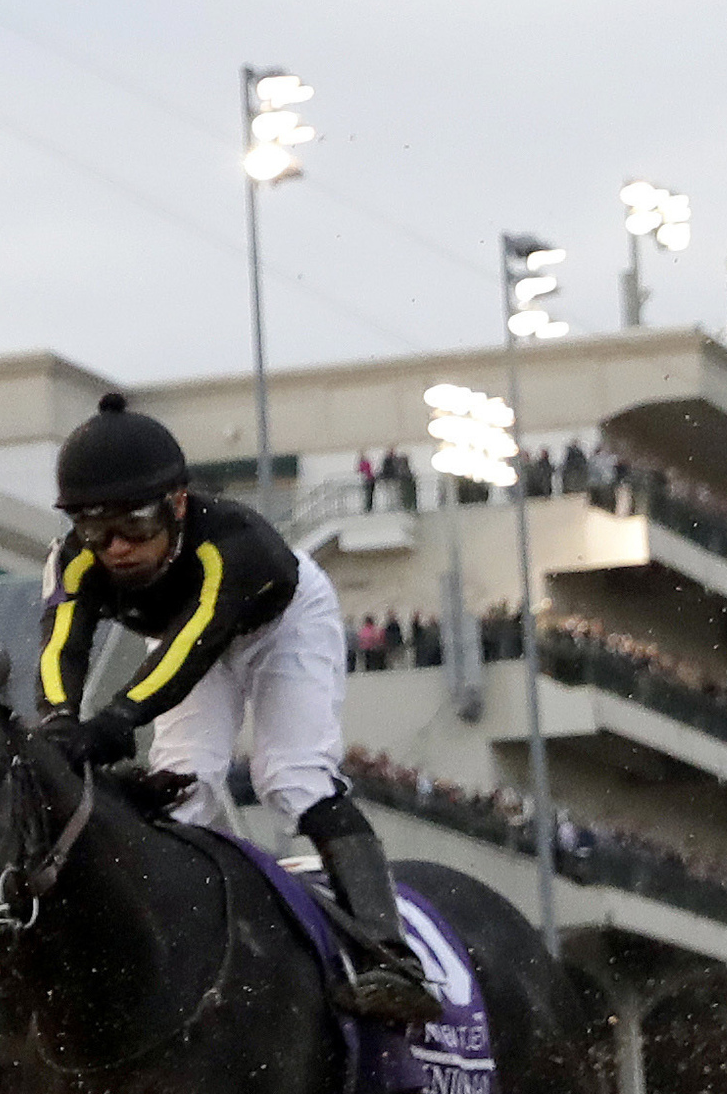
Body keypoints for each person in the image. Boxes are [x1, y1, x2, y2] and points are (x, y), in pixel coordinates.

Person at [32, 391, 439, 1024]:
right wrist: (59, 718)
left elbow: (195, 645)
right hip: (185, 639)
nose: (115, 548)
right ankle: (187, 950)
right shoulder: (73, 561)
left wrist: (114, 722)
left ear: (177, 505)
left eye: (134, 525)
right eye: (94, 528)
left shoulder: (231, 545)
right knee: (184, 787)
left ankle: (391, 955)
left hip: (281, 622)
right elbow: (62, 646)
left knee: (293, 777)